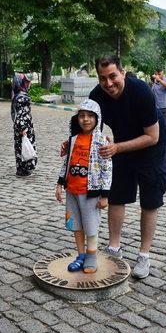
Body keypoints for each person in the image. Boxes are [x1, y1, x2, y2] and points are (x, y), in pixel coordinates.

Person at [87, 55, 166, 279]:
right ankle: (114, 248)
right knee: (116, 195)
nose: (108, 83)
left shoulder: (141, 91)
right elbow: (89, 128)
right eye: (103, 78)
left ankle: (144, 255)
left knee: (150, 199)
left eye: (113, 76)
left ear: (122, 73)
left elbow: (152, 136)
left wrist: (117, 148)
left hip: (151, 144)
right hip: (121, 143)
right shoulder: (97, 96)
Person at [55, 99, 112, 273]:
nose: (85, 119)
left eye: (90, 116)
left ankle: (91, 255)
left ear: (97, 118)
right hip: (72, 190)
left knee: (91, 226)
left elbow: (106, 168)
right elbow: (67, 162)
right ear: (76, 118)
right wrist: (59, 183)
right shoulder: (73, 140)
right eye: (81, 116)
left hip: (91, 193)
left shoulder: (102, 141)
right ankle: (80, 255)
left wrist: (105, 195)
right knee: (76, 225)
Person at [11, 73, 37, 177]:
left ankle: (21, 169)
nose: (29, 83)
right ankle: (26, 169)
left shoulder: (17, 95)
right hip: (24, 126)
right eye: (27, 82)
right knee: (25, 146)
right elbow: (22, 114)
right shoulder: (23, 97)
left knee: (20, 147)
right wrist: (24, 128)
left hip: (19, 126)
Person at [150, 68, 166, 145]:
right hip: (157, 107)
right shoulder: (154, 83)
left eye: (160, 74)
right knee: (157, 125)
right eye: (157, 74)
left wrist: (159, 80)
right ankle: (158, 139)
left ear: (163, 74)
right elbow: (151, 94)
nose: (158, 76)